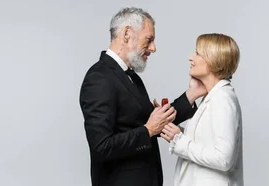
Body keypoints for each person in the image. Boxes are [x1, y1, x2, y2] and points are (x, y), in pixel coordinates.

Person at [79, 7, 207, 186]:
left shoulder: (131, 77)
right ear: (126, 33)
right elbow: (101, 147)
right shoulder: (99, 78)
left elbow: (155, 123)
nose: (153, 48)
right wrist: (148, 130)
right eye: (149, 40)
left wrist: (192, 94)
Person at [161, 33, 243, 186]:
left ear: (213, 60)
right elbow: (207, 142)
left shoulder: (222, 99)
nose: (190, 58)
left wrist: (180, 141)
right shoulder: (214, 97)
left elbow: (223, 158)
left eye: (197, 53)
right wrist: (174, 132)